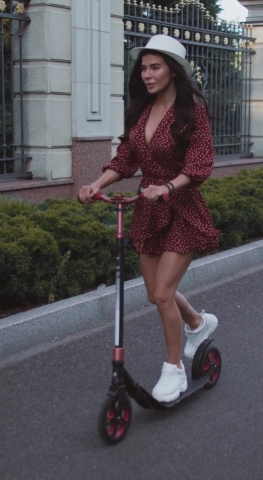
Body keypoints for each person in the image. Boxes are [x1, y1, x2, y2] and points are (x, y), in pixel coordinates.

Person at [77, 35, 219, 403]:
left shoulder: (192, 112)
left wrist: (168, 187)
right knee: (156, 294)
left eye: (155, 67)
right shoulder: (142, 111)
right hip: (148, 208)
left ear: (173, 71)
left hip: (181, 208)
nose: (147, 75)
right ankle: (198, 323)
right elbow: (125, 159)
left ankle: (174, 370)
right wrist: (96, 185)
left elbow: (200, 164)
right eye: (143, 68)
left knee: (162, 293)